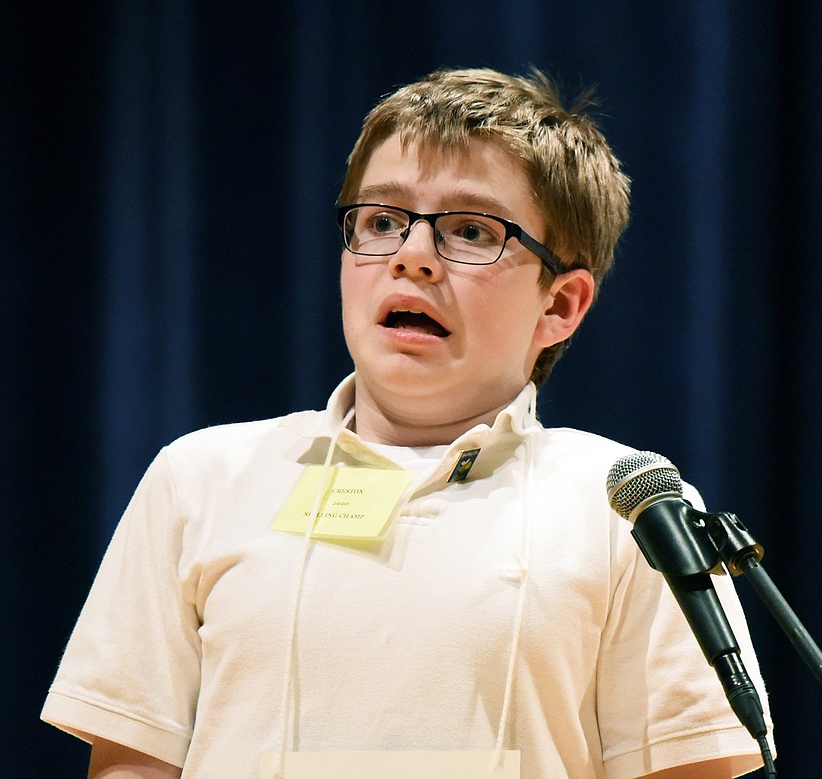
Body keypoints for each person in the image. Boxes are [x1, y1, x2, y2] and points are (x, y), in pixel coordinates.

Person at [42, 67, 773, 778]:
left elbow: (690, 768)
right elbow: (134, 763)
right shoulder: (202, 477)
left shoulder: (626, 505)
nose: (412, 257)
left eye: (469, 231)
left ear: (561, 305)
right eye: (383, 221)